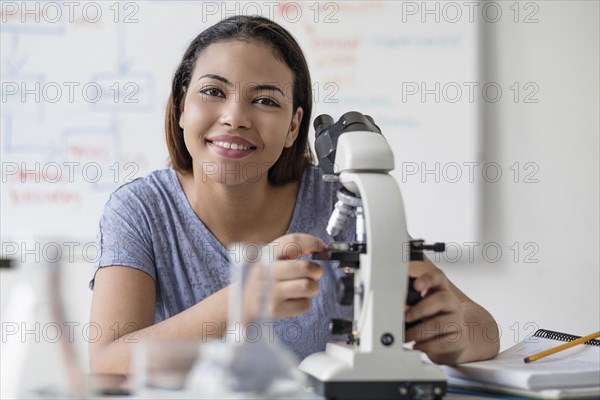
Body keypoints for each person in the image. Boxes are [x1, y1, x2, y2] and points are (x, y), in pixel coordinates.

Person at [89, 15, 499, 374]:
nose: (235, 117)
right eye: (213, 92)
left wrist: (456, 335)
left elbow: (484, 328)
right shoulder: (140, 210)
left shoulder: (343, 198)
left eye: (265, 100)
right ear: (181, 107)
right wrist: (243, 301)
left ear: (292, 127)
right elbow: (108, 364)